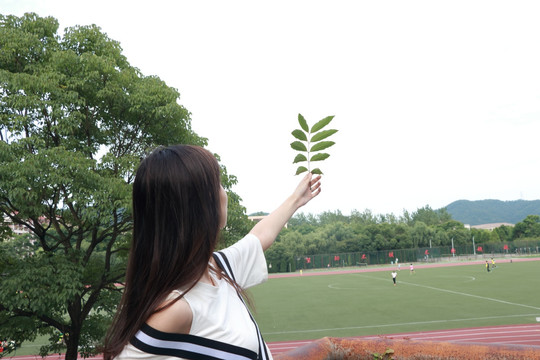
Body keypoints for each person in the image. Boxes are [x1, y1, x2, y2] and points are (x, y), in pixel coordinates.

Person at [102, 145, 322, 360]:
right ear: (198, 207)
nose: (224, 192)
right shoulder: (177, 308)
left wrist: (297, 199)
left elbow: (260, 235)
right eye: (218, 184)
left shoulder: (218, 268)